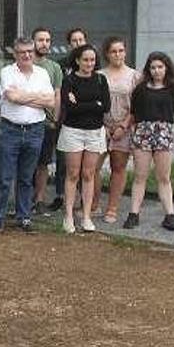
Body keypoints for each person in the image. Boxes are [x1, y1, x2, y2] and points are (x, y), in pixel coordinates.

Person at [0, 37, 56, 235]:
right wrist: (36, 98)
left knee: (26, 178)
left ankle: (23, 216)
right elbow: (12, 97)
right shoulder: (7, 72)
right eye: (22, 52)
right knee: (5, 178)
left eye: (30, 51)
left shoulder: (42, 73)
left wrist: (24, 98)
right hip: (11, 130)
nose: (27, 55)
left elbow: (50, 101)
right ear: (15, 54)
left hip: (35, 131)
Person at [125, 52, 174, 231]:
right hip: (143, 132)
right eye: (153, 67)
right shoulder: (140, 90)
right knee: (140, 176)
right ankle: (134, 214)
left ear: (166, 68)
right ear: (148, 70)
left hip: (163, 133)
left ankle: (170, 215)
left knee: (164, 177)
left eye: (160, 67)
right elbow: (134, 112)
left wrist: (161, 127)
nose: (157, 71)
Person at [57, 44, 111, 233]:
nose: (89, 63)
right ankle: (69, 216)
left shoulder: (101, 80)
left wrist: (81, 103)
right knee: (72, 174)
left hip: (95, 132)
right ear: (78, 60)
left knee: (89, 174)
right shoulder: (69, 80)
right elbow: (69, 108)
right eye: (85, 59)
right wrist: (92, 104)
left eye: (92, 60)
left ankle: (87, 216)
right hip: (73, 132)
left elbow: (105, 106)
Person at [97, 36, 141, 224]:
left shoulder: (135, 76)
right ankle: (93, 204)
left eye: (121, 50)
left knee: (118, 168)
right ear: (107, 54)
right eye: (114, 51)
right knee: (91, 169)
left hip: (124, 128)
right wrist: (103, 126)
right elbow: (93, 102)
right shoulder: (99, 75)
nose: (118, 54)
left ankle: (112, 208)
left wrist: (124, 126)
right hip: (100, 127)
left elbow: (138, 106)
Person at [30, 27, 67, 214]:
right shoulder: (25, 64)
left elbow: (57, 95)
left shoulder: (54, 67)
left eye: (48, 40)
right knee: (26, 163)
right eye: (40, 40)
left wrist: (55, 119)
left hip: (47, 124)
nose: (44, 43)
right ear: (33, 42)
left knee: (43, 163)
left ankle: (39, 200)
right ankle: (24, 200)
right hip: (27, 123)